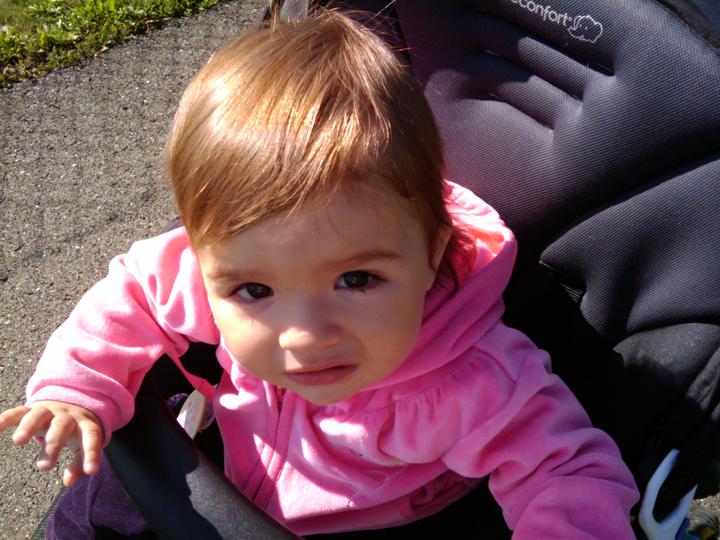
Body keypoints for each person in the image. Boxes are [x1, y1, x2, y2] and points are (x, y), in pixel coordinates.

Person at [0, 9, 640, 538]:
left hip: (371, 518)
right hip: (230, 460)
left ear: (431, 253)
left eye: (357, 280)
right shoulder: (209, 267)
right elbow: (134, 290)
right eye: (254, 292)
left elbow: (567, 472)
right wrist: (77, 388)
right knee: (94, 505)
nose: (304, 336)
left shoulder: (474, 379)